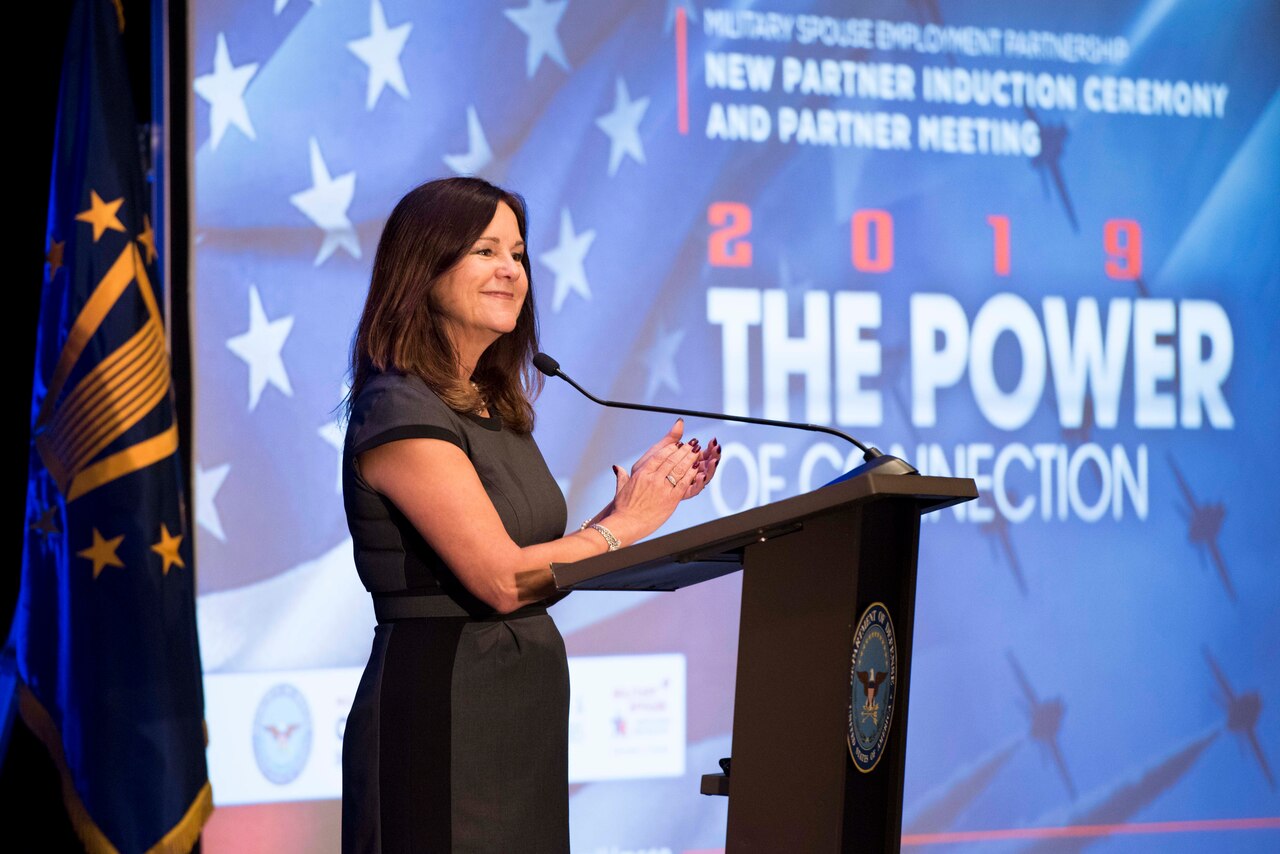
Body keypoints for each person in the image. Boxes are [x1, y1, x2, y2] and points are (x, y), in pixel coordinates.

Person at [340, 176, 721, 853]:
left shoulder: (492, 406)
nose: (511, 271)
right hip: (443, 709)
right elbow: (501, 578)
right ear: (423, 269)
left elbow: (539, 553)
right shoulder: (398, 410)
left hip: (518, 709)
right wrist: (623, 526)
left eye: (518, 254)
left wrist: (633, 505)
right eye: (486, 251)